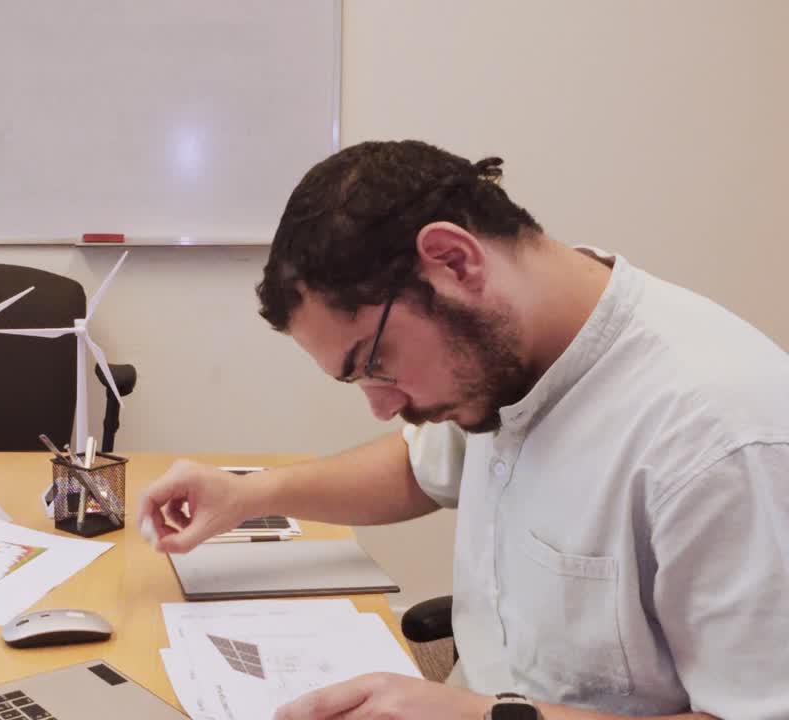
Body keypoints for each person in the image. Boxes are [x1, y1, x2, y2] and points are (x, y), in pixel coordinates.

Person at [137, 140, 789, 719]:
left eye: (377, 364)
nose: (383, 405)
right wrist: (250, 495)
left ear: (453, 261)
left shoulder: (720, 437)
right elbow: (420, 469)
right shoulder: (505, 357)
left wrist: (478, 716)